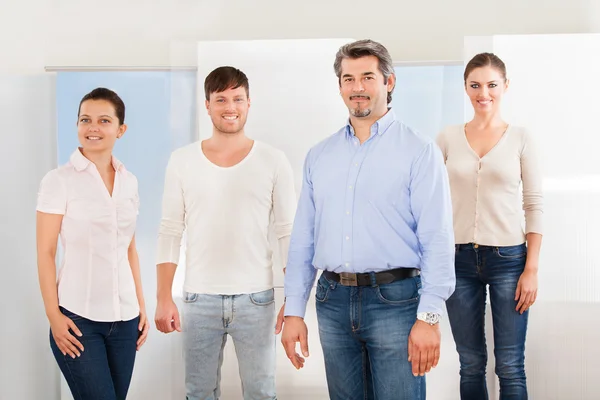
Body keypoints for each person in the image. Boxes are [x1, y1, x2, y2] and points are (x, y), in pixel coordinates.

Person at [281, 39, 456, 400]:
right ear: (340, 85)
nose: (357, 88)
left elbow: (436, 238)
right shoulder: (319, 156)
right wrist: (294, 311)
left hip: (396, 301)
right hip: (332, 301)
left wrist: (430, 316)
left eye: (367, 77)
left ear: (389, 82)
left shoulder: (419, 151)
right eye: (348, 78)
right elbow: (303, 240)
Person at [154, 66, 297, 400]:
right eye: (221, 99)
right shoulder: (182, 160)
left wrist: (293, 299)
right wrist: (163, 297)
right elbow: (170, 230)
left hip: (256, 299)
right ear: (207, 105)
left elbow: (288, 233)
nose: (229, 106)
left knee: (262, 393)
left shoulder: (273, 160)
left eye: (237, 98)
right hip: (198, 299)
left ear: (248, 104)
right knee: (199, 393)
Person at [436, 52, 543, 400]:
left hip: (509, 260)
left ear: (505, 86)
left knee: (510, 364)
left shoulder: (521, 138)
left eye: (492, 84)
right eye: (475, 85)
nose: (484, 92)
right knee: (469, 362)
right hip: (458, 261)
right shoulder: (448, 137)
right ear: (466, 88)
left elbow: (534, 205)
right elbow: (431, 202)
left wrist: (532, 269)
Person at [36, 87, 149, 400]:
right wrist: (54, 317)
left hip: (126, 321)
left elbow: (129, 248)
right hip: (78, 320)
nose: (93, 127)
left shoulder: (130, 181)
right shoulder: (58, 180)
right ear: (77, 126)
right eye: (85, 120)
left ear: (120, 129)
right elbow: (45, 253)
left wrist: (141, 305)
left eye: (103, 120)